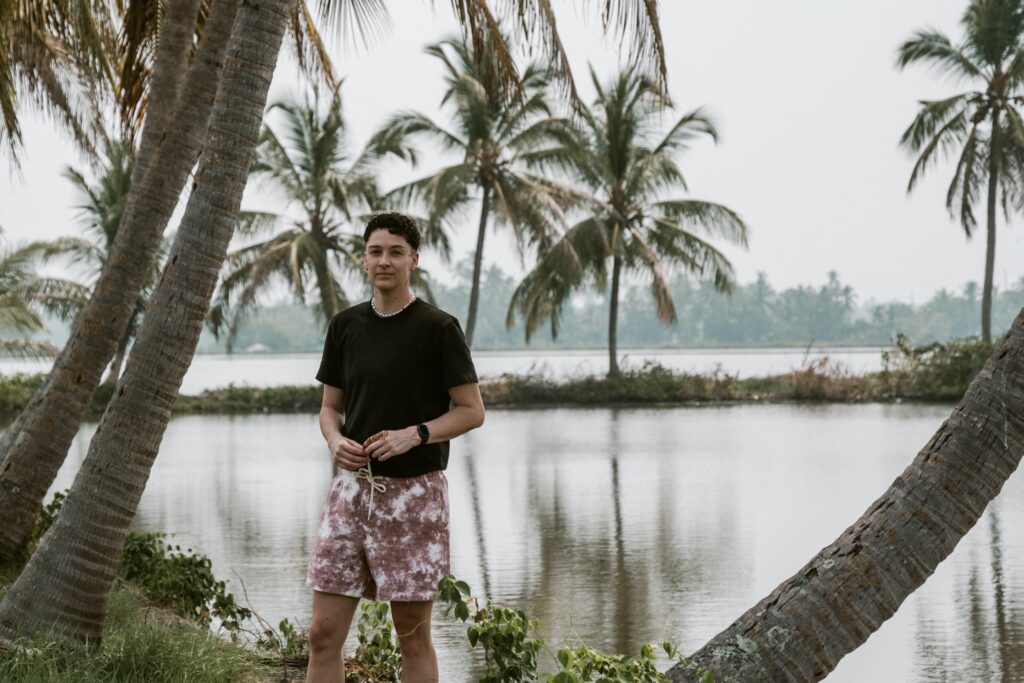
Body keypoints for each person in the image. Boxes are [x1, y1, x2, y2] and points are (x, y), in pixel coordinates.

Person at [306, 212, 485, 683]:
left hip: (414, 497)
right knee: (322, 634)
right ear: (364, 260)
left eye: (395, 252)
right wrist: (334, 440)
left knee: (411, 635)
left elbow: (471, 410)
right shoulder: (345, 326)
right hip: (349, 495)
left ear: (414, 260)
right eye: (375, 251)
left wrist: (416, 433)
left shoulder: (438, 328)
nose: (384, 261)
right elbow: (330, 409)